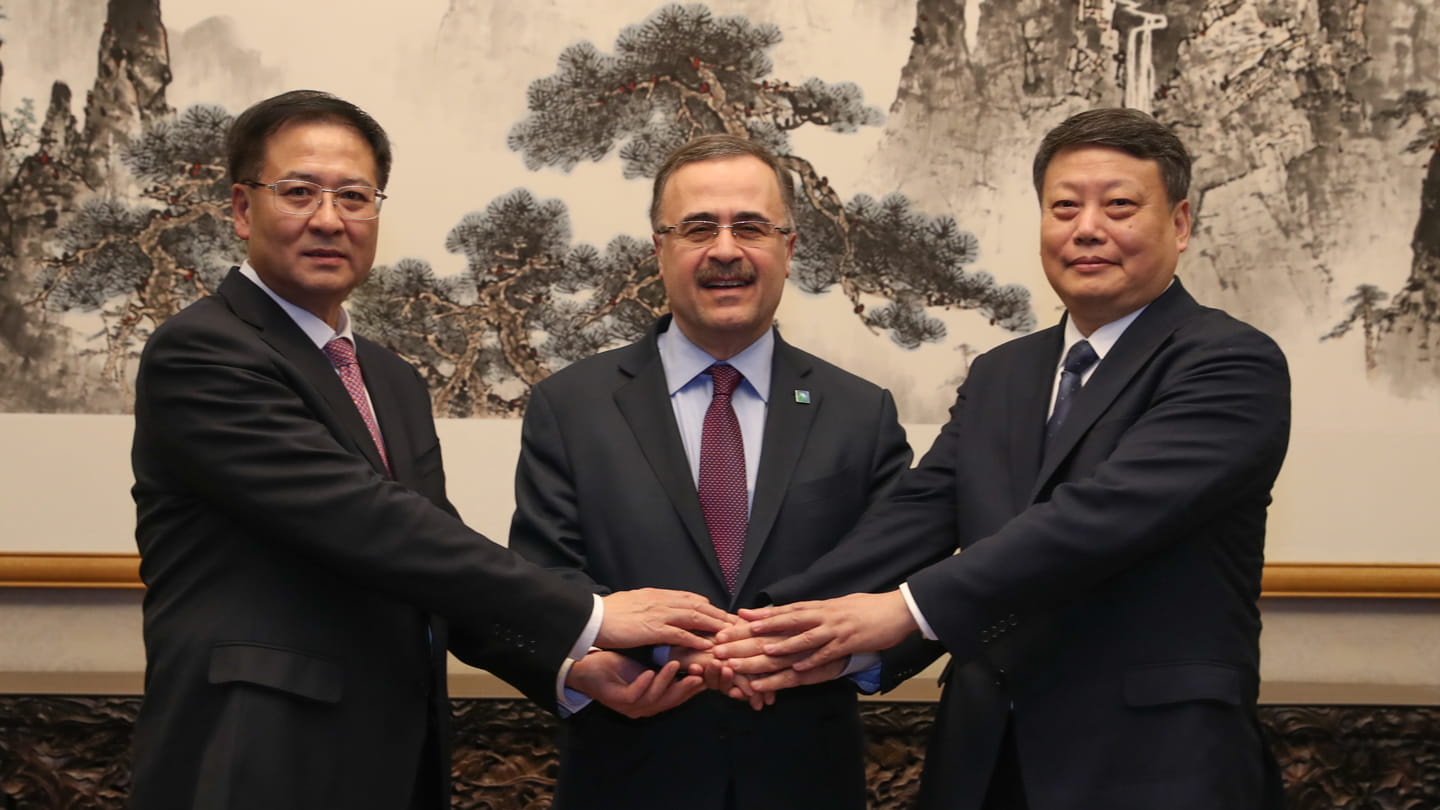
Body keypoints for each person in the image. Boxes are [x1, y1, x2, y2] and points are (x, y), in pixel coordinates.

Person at [127, 90, 729, 810]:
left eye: (354, 196)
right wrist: (590, 613)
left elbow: (428, 560)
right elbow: (366, 521)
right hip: (253, 757)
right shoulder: (202, 350)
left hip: (393, 759)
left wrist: (570, 667)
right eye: (298, 192)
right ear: (239, 208)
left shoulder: (389, 378)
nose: (328, 219)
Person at [714, 107, 1291, 810]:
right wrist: (759, 629)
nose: (1087, 229)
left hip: (1154, 767)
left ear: (1179, 224)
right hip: (986, 761)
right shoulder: (1004, 373)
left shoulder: (1228, 363)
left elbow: (1098, 520)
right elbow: (919, 512)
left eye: (1119, 206)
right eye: (1064, 207)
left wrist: (906, 609)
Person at [508, 134, 913, 810]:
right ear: (658, 251)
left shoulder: (860, 412)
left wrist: (839, 657)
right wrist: (616, 662)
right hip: (628, 778)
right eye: (698, 228)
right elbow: (544, 578)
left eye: (750, 227)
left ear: (788, 249)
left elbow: (899, 586)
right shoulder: (569, 406)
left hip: (806, 783)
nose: (726, 249)